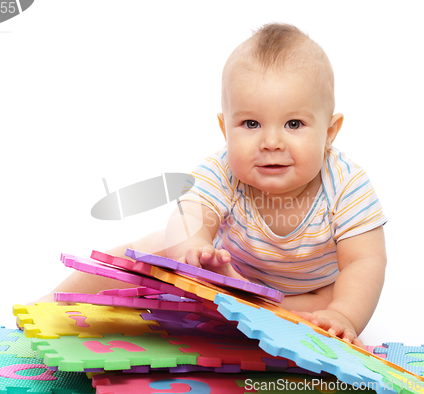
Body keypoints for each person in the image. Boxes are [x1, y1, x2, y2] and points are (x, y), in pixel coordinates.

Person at [34, 23, 387, 349]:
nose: (271, 141)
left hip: (302, 297)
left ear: (329, 132)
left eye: (294, 124)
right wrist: (193, 250)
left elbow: (364, 261)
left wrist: (344, 315)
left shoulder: (346, 184)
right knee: (155, 244)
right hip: (225, 281)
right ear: (224, 128)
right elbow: (192, 212)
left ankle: (282, 316)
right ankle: (50, 302)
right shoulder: (223, 171)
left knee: (332, 298)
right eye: (250, 123)